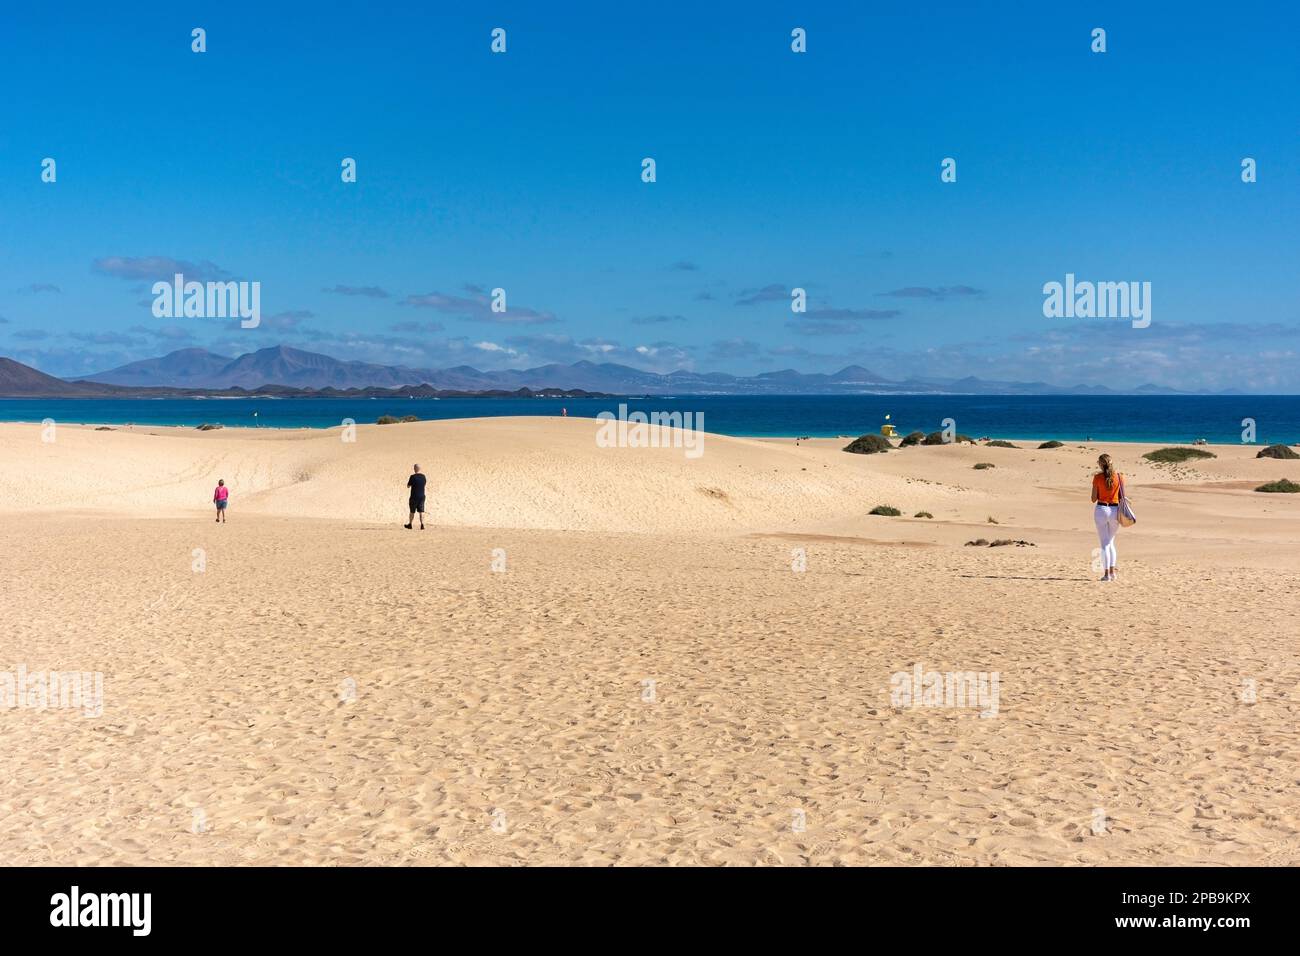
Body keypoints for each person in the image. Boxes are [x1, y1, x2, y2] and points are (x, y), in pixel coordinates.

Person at [1090, 454, 1124, 581]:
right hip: (1115, 510)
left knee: (1104, 543)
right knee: (1110, 542)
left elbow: (1093, 499)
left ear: (1100, 463)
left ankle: (1106, 575)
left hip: (1102, 509)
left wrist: (1100, 491)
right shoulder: (1119, 477)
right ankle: (1112, 573)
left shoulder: (1097, 478)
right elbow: (1121, 497)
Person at [405, 464, 427, 530]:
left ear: (414, 469)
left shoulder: (412, 477)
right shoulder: (423, 476)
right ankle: (422, 524)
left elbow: (408, 486)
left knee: (412, 511)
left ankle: (410, 524)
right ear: (420, 469)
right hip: (422, 496)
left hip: (414, 496)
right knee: (421, 511)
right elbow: (424, 484)